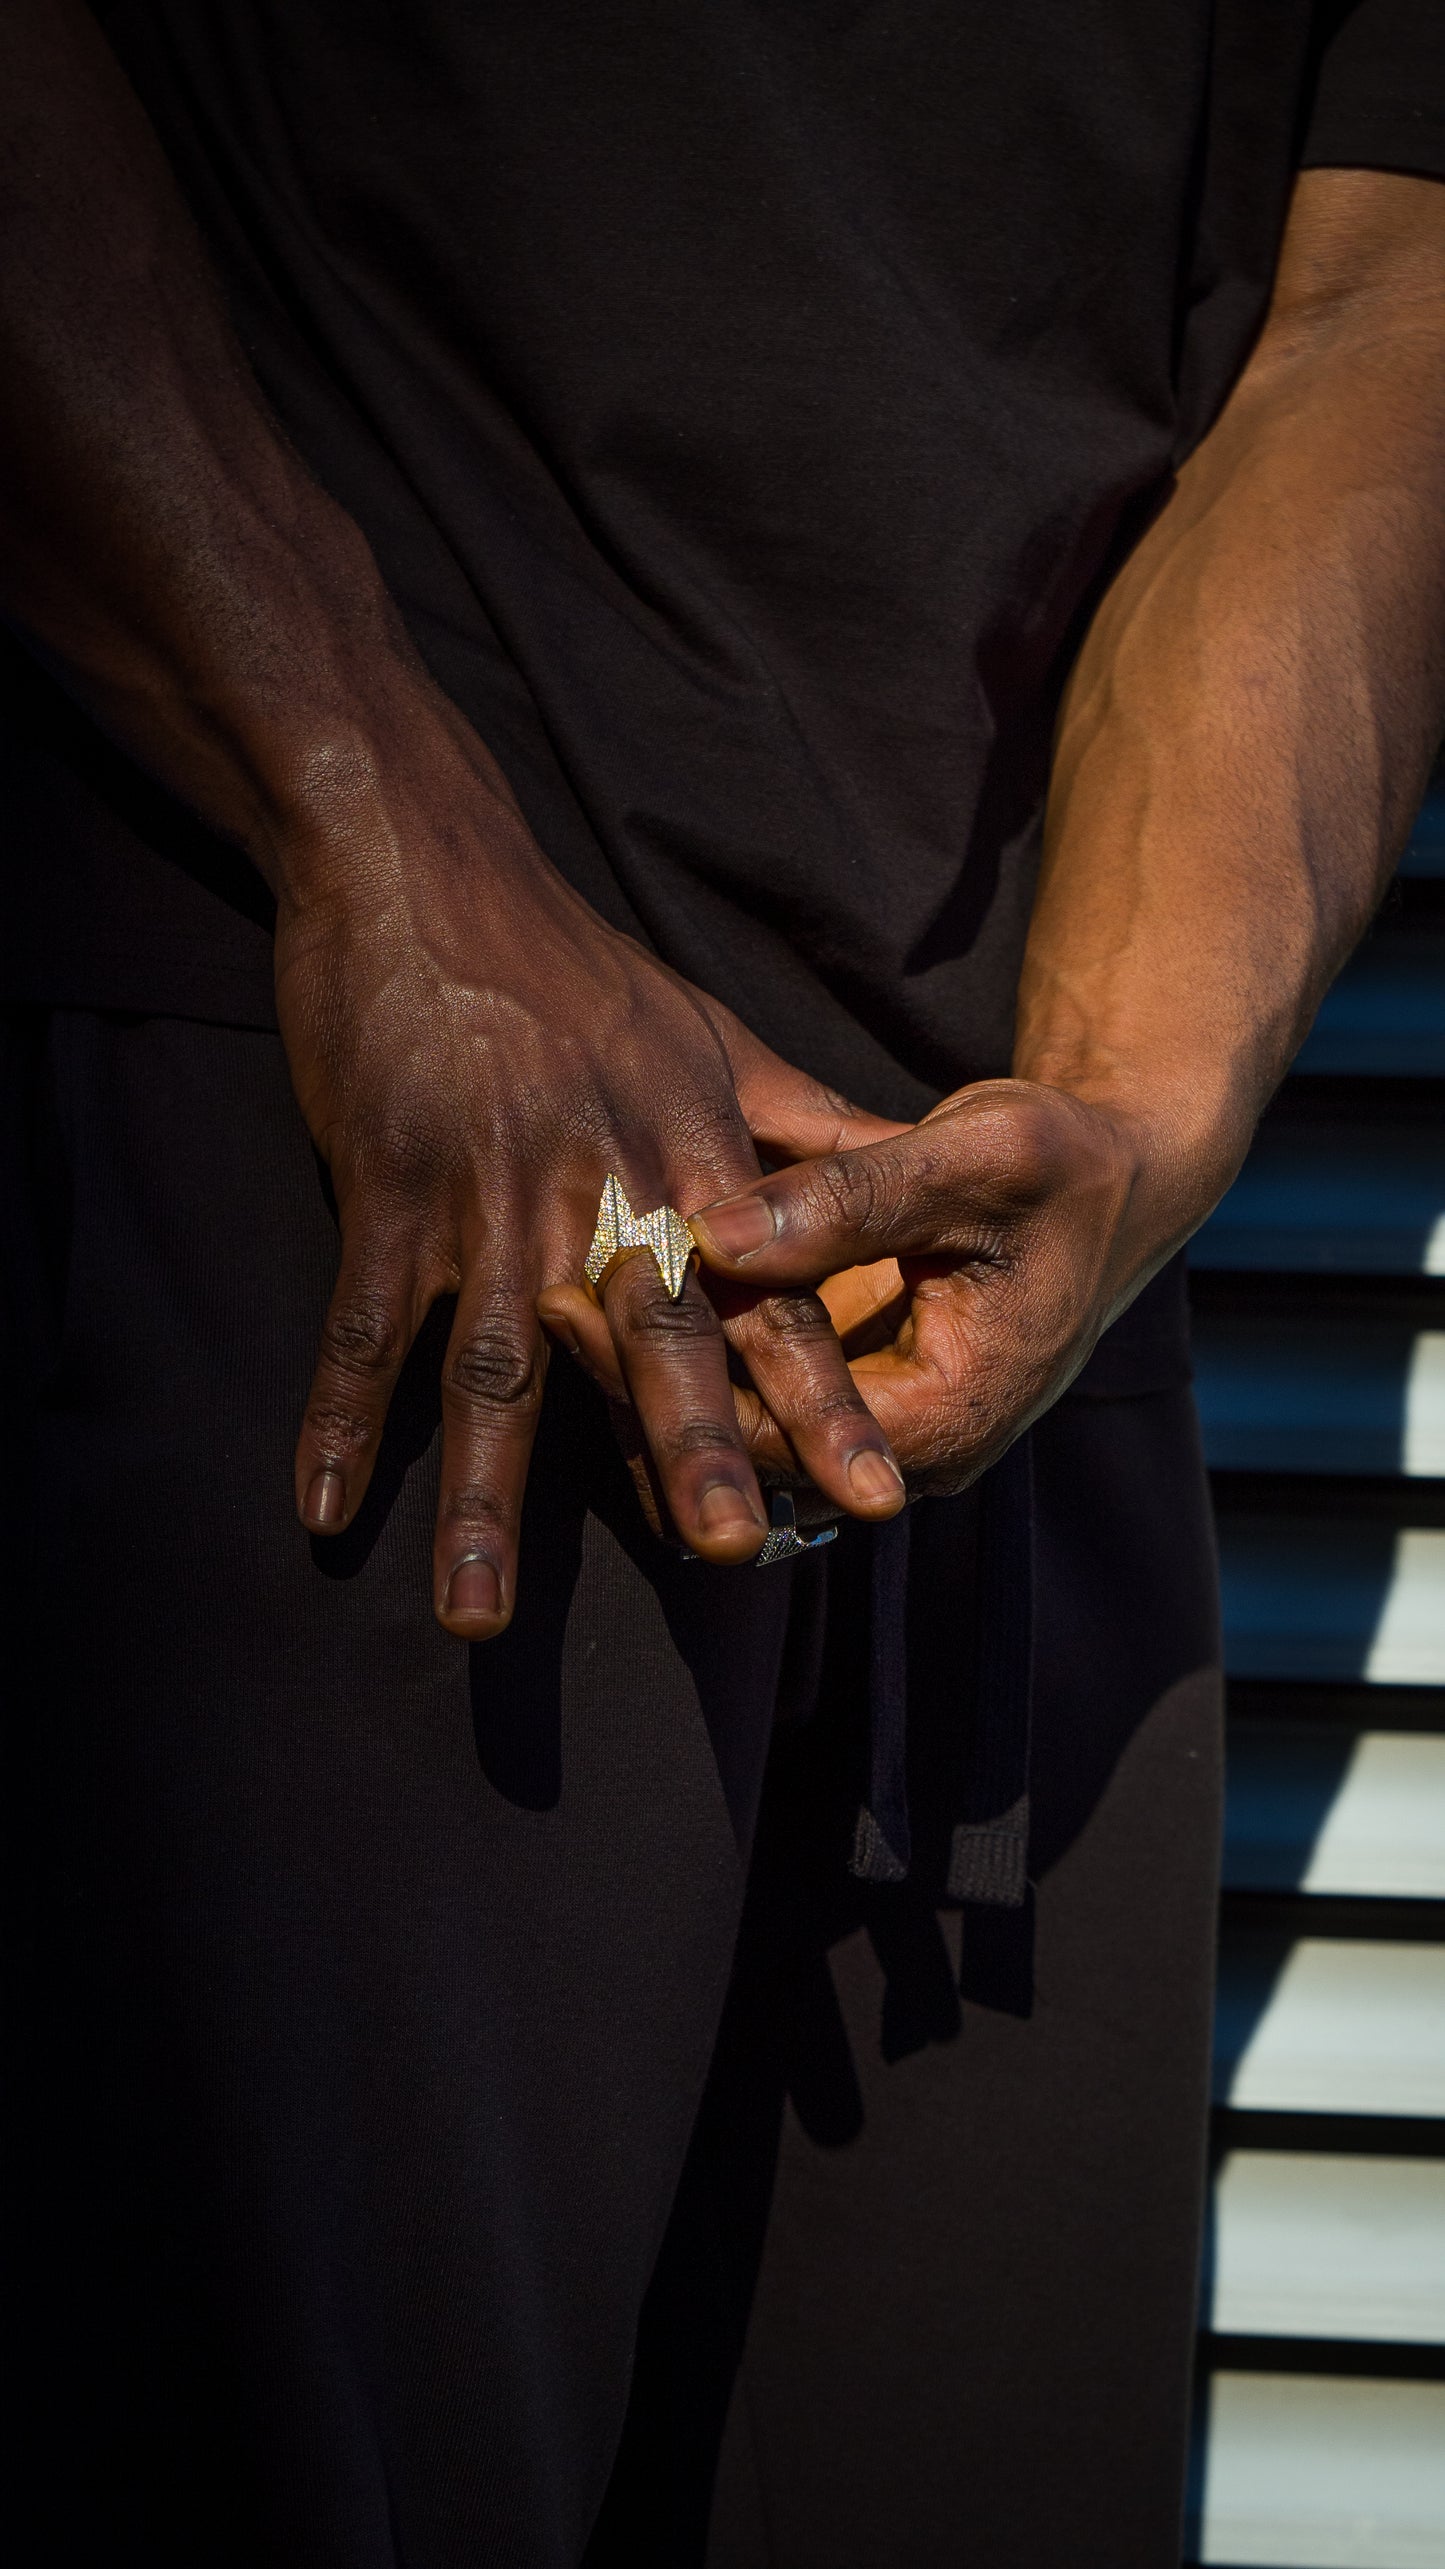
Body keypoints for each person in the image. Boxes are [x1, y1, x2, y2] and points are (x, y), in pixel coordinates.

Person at [2, 3, 1441, 2561]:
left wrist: (1132, 1093)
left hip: (1004, 1255)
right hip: (341, 1142)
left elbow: (1382, 295)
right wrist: (366, 813)